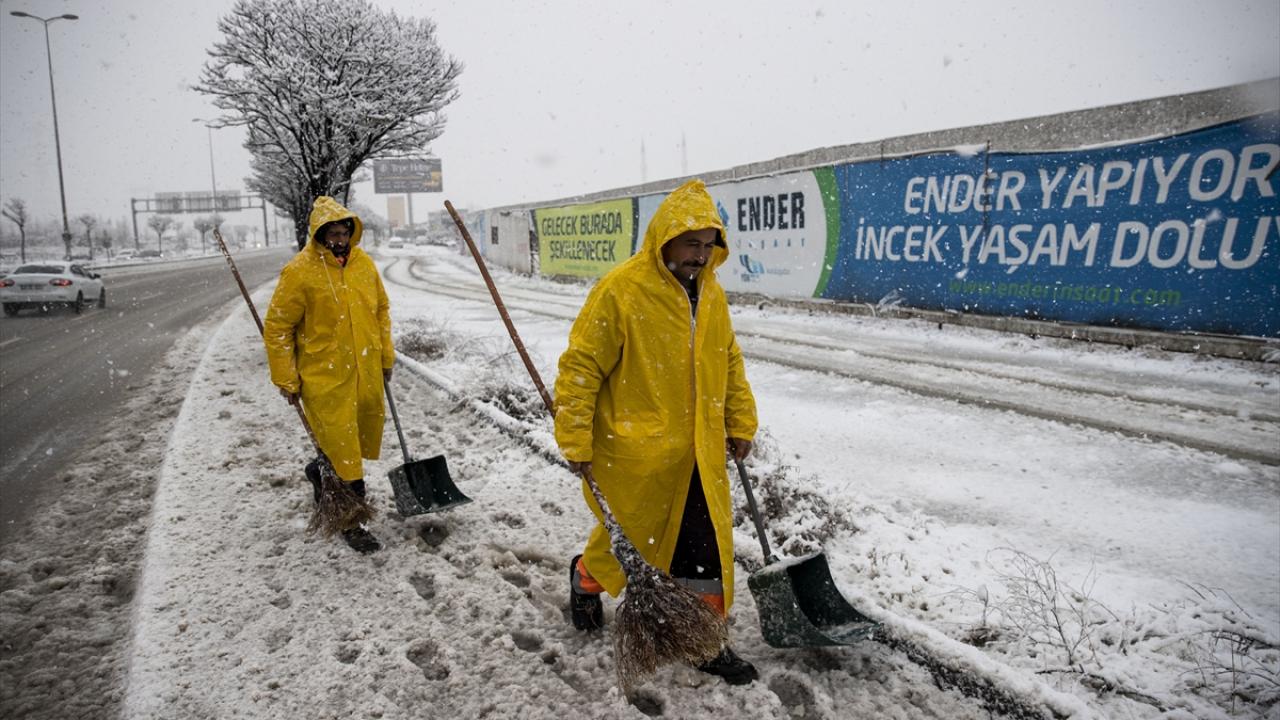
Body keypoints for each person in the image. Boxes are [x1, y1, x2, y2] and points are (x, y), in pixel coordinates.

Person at [553, 179, 760, 685]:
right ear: (665, 238)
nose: (700, 255)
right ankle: (585, 579)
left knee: (704, 546)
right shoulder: (622, 290)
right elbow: (581, 366)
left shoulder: (711, 293)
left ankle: (703, 639)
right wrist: (575, 436)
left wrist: (740, 420)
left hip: (700, 449)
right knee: (632, 545)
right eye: (692, 243)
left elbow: (727, 361)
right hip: (636, 451)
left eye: (709, 246)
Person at [263, 196, 394, 554]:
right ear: (318, 235)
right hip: (323, 377)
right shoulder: (300, 272)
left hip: (363, 371)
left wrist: (386, 355)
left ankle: (320, 472)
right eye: (332, 233)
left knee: (353, 443)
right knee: (345, 448)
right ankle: (353, 521)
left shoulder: (363, 265)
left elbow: (381, 309)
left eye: (343, 233)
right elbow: (277, 327)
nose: (339, 240)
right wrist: (285, 378)